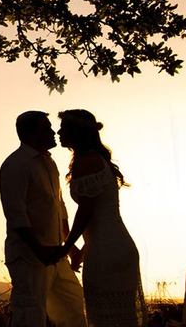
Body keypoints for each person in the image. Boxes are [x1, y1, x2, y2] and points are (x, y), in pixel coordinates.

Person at [58, 109, 147, 327]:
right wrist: (78, 254)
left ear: (77, 133)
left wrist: (67, 247)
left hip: (105, 251)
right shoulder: (95, 159)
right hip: (111, 245)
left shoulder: (87, 162)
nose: (59, 132)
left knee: (105, 318)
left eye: (64, 128)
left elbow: (86, 211)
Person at [0, 110, 88, 327]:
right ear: (32, 133)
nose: (53, 132)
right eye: (47, 128)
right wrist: (39, 250)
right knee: (30, 314)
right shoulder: (15, 164)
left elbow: (59, 209)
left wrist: (70, 248)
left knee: (73, 306)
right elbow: (16, 214)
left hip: (56, 254)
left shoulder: (50, 164)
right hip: (29, 257)